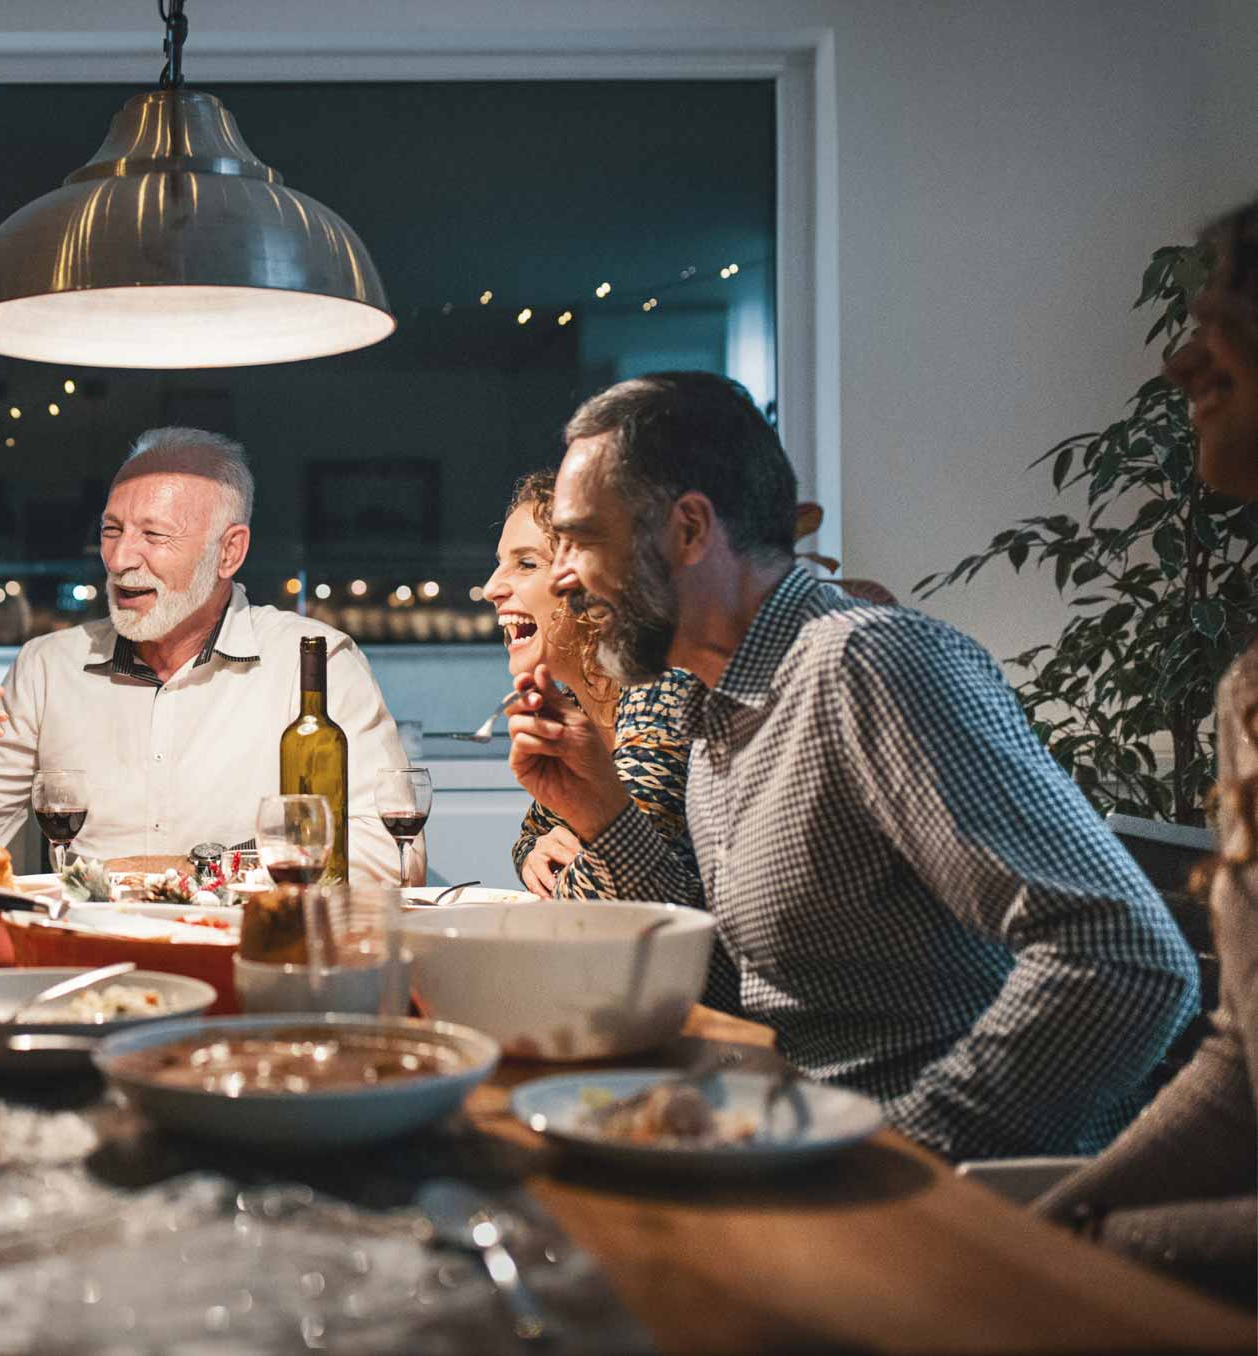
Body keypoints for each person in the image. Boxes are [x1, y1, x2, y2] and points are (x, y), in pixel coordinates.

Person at [508, 370, 1199, 1160]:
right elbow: (759, 998)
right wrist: (602, 812)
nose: (562, 579)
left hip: (949, 1188)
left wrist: (901, 1152)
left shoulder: (867, 665)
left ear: (690, 530)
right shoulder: (716, 713)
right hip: (793, 1141)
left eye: (584, 539)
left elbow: (1126, 957)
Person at [1036, 198, 1258, 1304]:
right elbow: (1241, 1065)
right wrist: (1046, 1225)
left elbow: (1131, 961)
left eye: (1219, 316)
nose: (1177, 361)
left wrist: (1105, 1253)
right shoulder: (1251, 691)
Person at [0, 428, 410, 880]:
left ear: (229, 552)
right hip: (92, 947)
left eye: (154, 535)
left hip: (247, 947)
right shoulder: (47, 668)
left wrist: (200, 871)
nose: (119, 558)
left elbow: (386, 855)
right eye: (112, 530)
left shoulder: (314, 663)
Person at [488, 469, 701, 898]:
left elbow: (609, 889)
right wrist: (536, 851)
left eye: (526, 563)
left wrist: (570, 865)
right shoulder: (581, 703)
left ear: (595, 582)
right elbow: (530, 839)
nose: (493, 587)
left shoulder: (660, 684)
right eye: (500, 565)